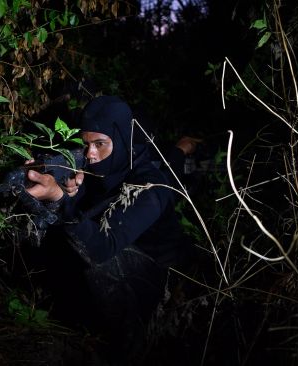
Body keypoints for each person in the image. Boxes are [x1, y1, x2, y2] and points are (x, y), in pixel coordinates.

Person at [24, 95, 196, 363]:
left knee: (95, 260)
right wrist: (67, 191)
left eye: (100, 144)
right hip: (126, 252)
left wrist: (60, 199)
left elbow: (101, 248)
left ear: (123, 139)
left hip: (161, 273)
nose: (91, 155)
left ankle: (131, 347)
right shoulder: (111, 165)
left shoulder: (150, 187)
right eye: (86, 144)